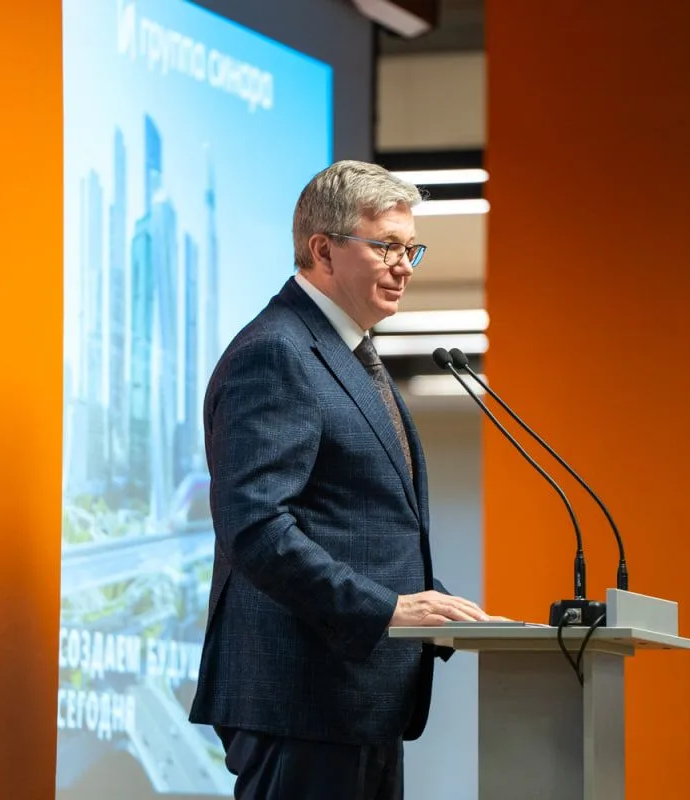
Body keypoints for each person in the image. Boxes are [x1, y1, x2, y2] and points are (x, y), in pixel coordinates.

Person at [189, 160, 495, 799]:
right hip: (300, 697)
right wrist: (386, 609)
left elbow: (351, 521)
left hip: (354, 698)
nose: (404, 265)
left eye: (410, 249)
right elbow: (255, 525)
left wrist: (433, 605)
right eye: (386, 246)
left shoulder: (347, 354)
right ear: (323, 250)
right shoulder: (277, 351)